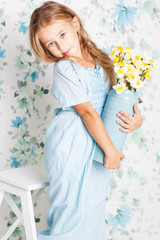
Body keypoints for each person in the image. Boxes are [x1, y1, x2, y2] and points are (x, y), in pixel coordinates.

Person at [29, 1, 143, 239]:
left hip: (99, 140)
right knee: (71, 212)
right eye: (51, 43)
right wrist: (110, 150)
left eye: (62, 34)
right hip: (72, 142)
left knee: (92, 208)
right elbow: (87, 112)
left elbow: (122, 98)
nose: (60, 46)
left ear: (75, 24)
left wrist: (136, 121)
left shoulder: (100, 59)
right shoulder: (64, 69)